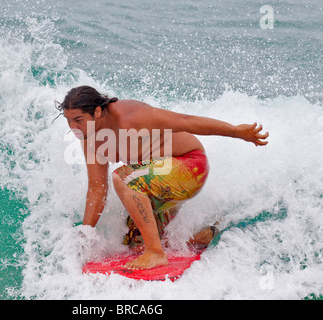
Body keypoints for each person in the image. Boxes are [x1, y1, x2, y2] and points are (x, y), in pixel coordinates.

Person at [56, 86, 269, 270]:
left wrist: (235, 131)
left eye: (78, 120)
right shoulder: (89, 138)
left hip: (190, 166)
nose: (73, 127)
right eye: (69, 121)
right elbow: (96, 188)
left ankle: (156, 253)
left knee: (123, 178)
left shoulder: (129, 116)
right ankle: (199, 237)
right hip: (160, 182)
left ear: (98, 111)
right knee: (134, 242)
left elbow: (185, 121)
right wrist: (86, 233)